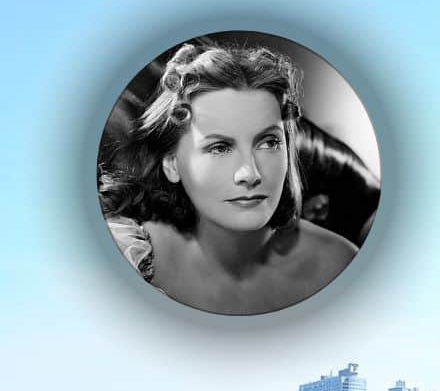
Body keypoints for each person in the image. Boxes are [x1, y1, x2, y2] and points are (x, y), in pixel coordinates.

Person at [98, 42, 357, 315]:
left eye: (268, 143)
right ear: (172, 164)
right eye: (219, 147)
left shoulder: (340, 265)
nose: (250, 173)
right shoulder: (123, 256)